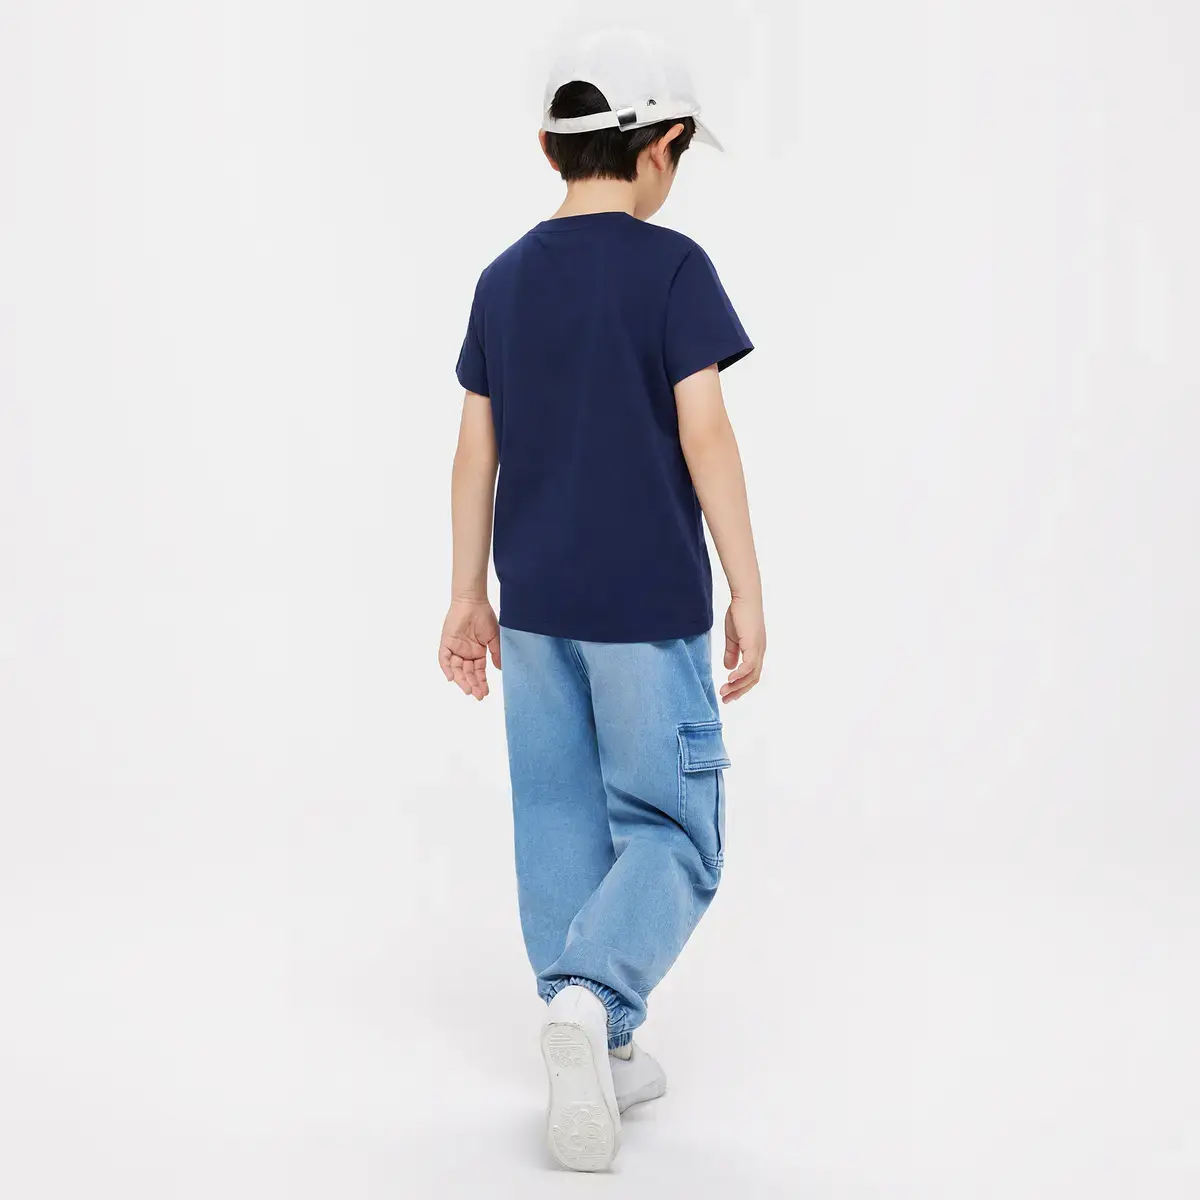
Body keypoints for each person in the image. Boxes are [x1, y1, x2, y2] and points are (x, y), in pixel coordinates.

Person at [438, 28, 765, 1172]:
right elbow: (706, 433)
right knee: (673, 828)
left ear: (548, 147)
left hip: (533, 607)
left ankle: (597, 1041)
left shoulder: (502, 279)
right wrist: (747, 588)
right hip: (647, 607)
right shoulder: (673, 269)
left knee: (559, 815)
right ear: (662, 147)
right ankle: (594, 1001)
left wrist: (465, 595)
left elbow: (474, 453)